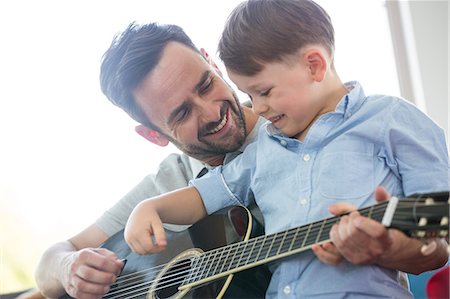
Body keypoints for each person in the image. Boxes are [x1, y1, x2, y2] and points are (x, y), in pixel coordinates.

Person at [35, 16, 446, 299]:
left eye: (206, 83)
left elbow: (433, 245)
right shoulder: (173, 179)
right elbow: (52, 262)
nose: (211, 111)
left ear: (211, 61)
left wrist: (390, 247)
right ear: (152, 135)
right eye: (181, 113)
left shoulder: (308, 116)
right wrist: (70, 267)